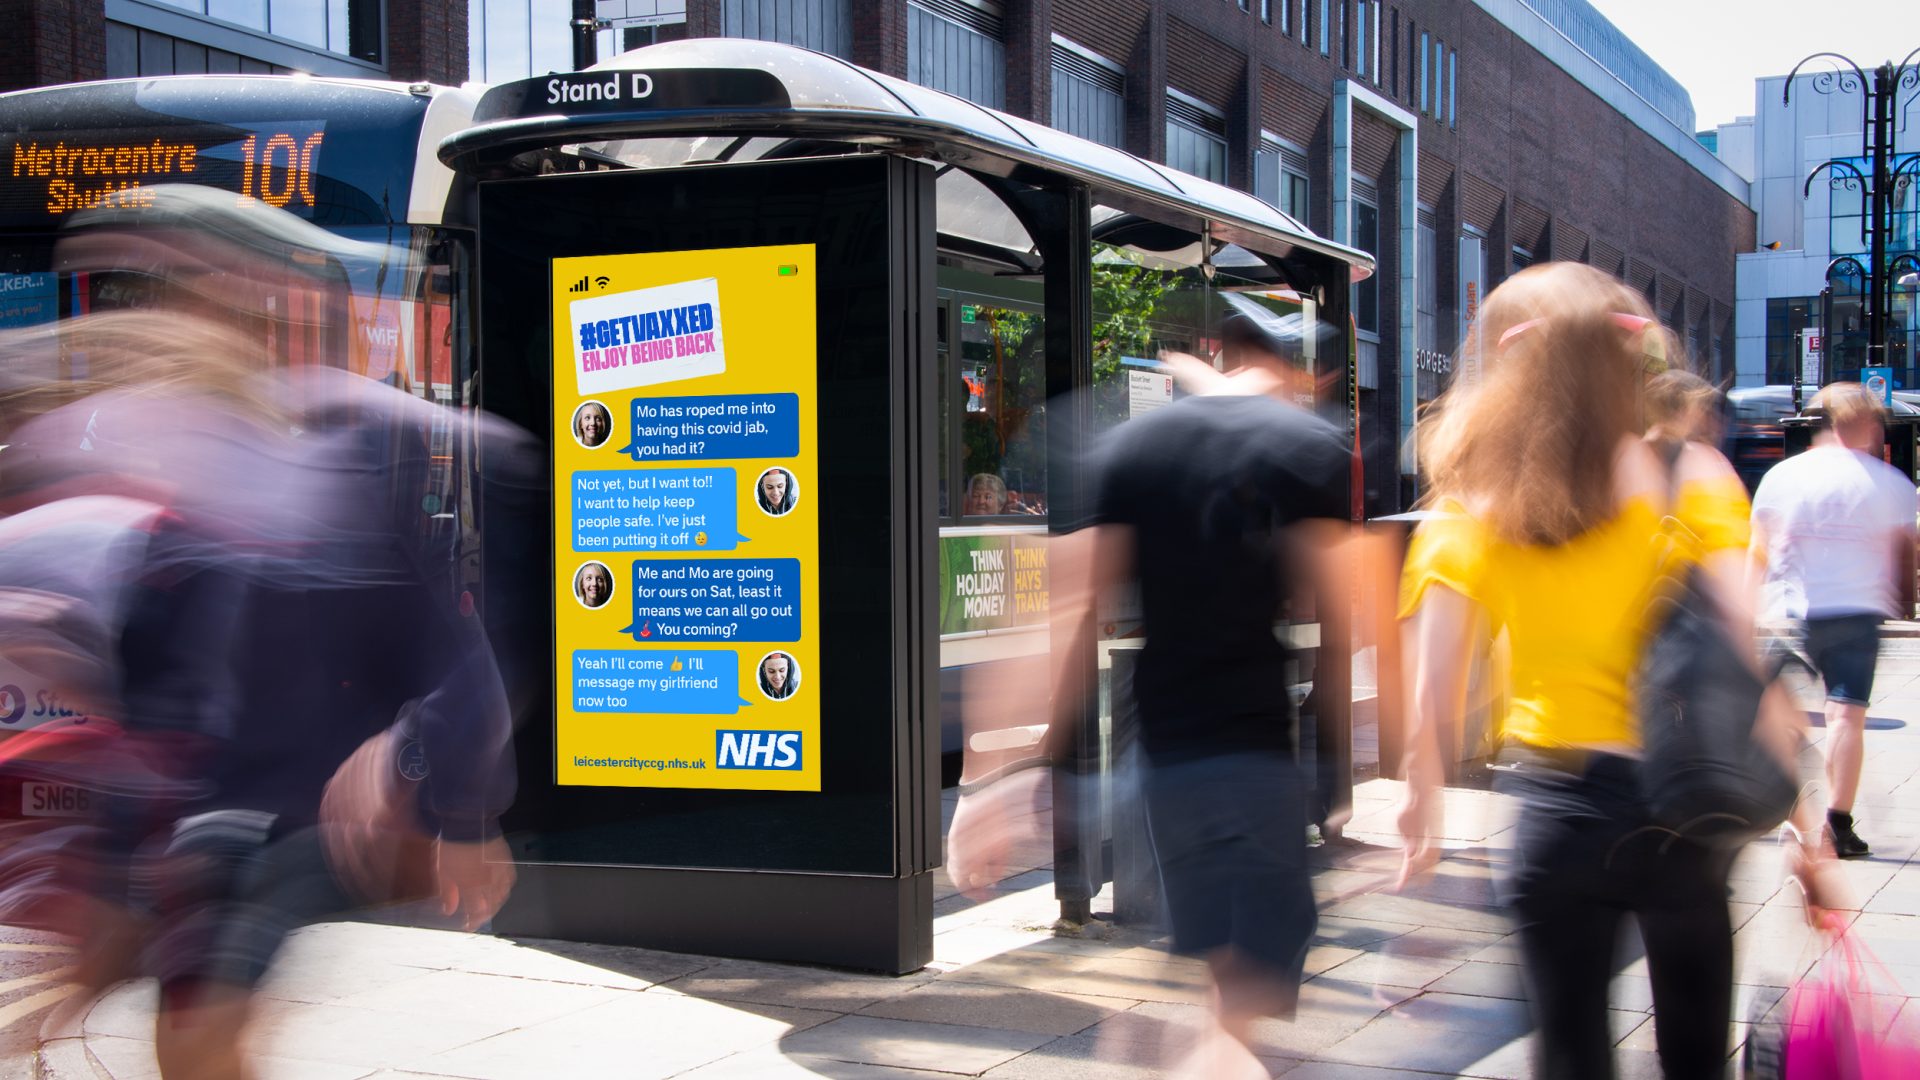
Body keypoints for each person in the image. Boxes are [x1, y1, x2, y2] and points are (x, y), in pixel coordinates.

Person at [1397, 263, 1837, 1080]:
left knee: (1570, 1055)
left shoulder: (1474, 501)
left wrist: (1421, 793)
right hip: (1683, 810)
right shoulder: (1691, 475)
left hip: (1554, 811)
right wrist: (1810, 828)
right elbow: (1749, 659)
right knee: (1695, 1058)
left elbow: (1436, 689)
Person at [954, 308, 1348, 1079]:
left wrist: (986, 786)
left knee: (1221, 989)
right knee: (1243, 1005)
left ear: (1216, 356)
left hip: (1168, 767)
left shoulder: (1137, 447)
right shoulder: (1304, 446)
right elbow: (1348, 606)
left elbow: (1063, 613)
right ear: (1291, 370)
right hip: (1261, 761)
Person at [1750, 382, 1917, 858]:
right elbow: (1905, 553)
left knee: (1775, 711)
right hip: (1857, 613)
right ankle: (1837, 826)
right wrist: (1906, 601)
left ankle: (1782, 804)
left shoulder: (1783, 476)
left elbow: (1758, 548)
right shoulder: (1891, 483)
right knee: (1845, 716)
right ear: (1865, 425)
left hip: (1791, 614)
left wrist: (1745, 608)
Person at [1644, 369, 1724, 454]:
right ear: (1680, 412)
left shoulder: (1639, 451)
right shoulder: (1699, 455)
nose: (1699, 416)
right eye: (1697, 407)